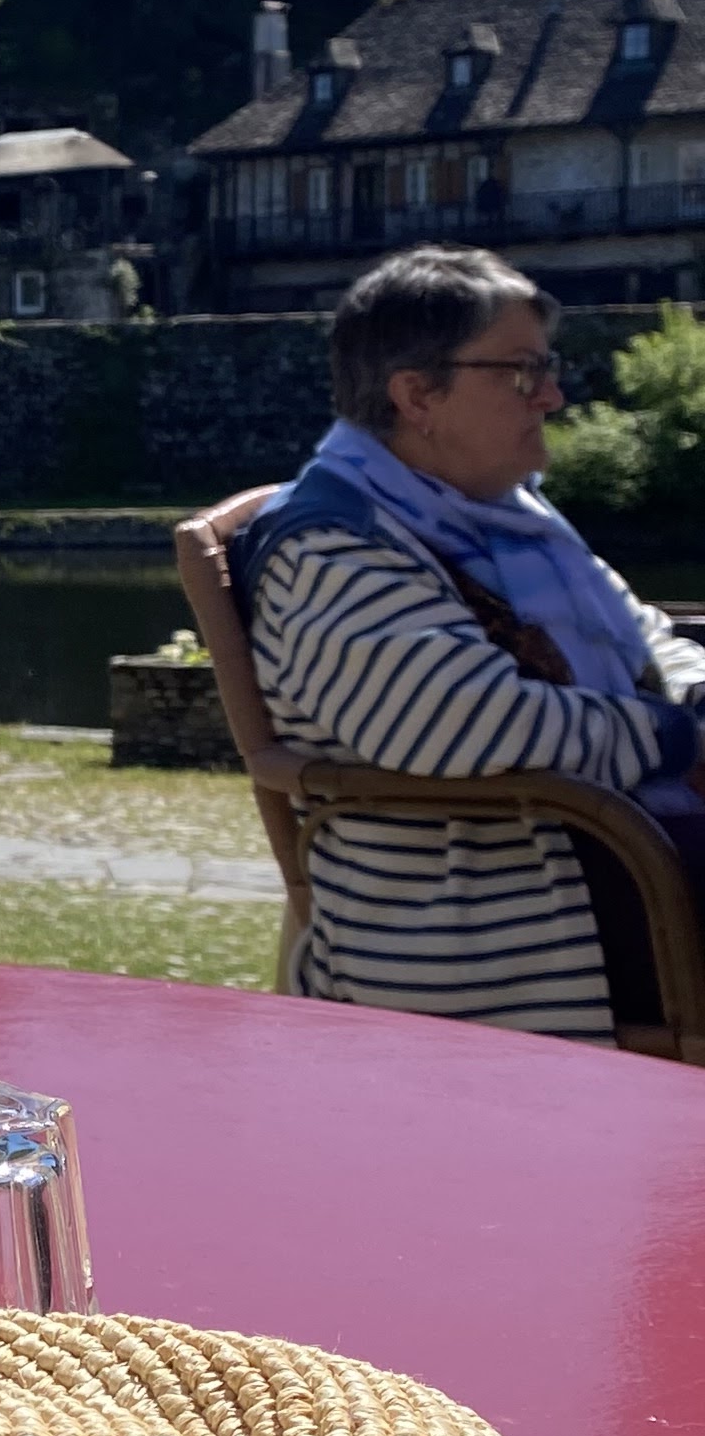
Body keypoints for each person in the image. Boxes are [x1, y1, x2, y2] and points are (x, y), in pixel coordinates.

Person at [236, 246, 705, 1038]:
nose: (552, 394)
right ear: (418, 395)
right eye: (522, 372)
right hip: (512, 925)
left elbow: (645, 639)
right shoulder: (329, 548)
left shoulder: (503, 519)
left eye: (548, 367)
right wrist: (679, 738)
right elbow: (468, 723)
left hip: (603, 873)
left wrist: (696, 698)